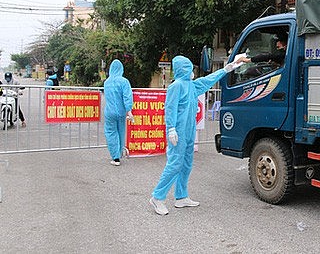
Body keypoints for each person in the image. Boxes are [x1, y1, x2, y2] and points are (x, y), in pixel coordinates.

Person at [150, 54, 246, 215]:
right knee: (175, 164)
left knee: (186, 164)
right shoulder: (177, 86)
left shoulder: (192, 85)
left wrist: (229, 67)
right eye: (189, 68)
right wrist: (171, 129)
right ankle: (157, 197)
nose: (191, 71)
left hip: (189, 131)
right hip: (178, 132)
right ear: (183, 69)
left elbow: (210, 79)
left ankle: (181, 197)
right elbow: (170, 108)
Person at [103, 59, 134, 166]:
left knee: (111, 133)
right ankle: (119, 153)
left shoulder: (106, 82)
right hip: (121, 112)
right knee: (121, 132)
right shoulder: (124, 81)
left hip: (109, 112)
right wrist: (129, 111)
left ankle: (115, 157)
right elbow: (127, 97)